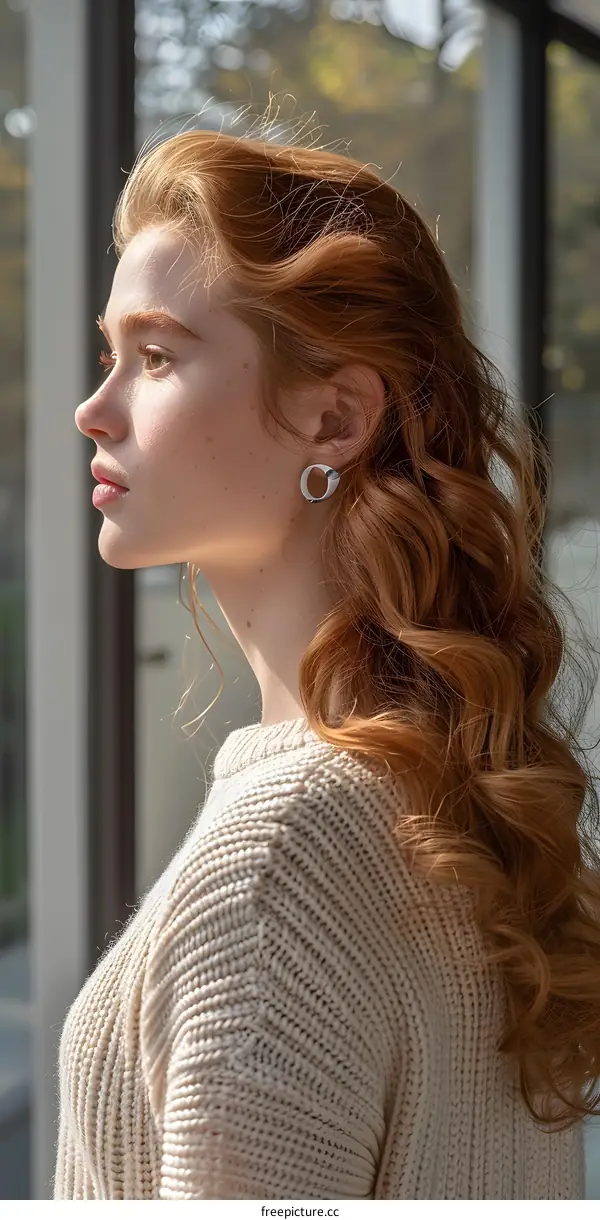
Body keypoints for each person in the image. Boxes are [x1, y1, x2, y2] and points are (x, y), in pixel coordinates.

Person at [53, 127, 600, 1200]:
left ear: (336, 415)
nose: (94, 406)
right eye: (108, 352)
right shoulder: (434, 797)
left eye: (155, 356)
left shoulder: (273, 870)